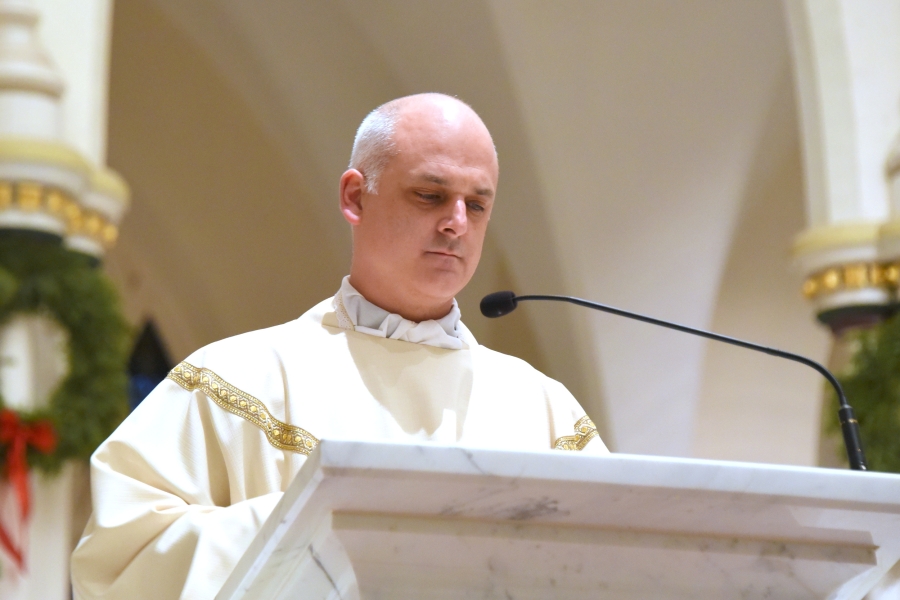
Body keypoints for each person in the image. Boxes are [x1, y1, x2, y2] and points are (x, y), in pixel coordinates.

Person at [70, 93, 608, 599]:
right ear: (355, 196)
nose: (457, 223)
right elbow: (120, 561)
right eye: (431, 195)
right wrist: (322, 523)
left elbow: (623, 564)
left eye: (478, 204)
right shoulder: (235, 378)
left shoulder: (543, 411)